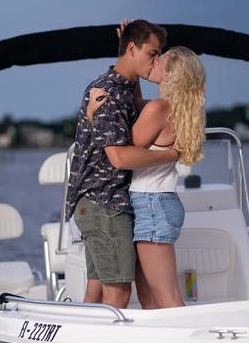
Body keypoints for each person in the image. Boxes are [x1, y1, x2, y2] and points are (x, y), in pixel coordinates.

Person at [65, 20, 179, 309]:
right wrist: (171, 155)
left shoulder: (124, 88)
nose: (157, 60)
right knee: (118, 294)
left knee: (97, 290)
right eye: (153, 53)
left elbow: (134, 101)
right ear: (132, 48)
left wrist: (131, 59)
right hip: (106, 202)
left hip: (101, 201)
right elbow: (119, 157)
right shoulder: (106, 93)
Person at [87, 45, 206, 308]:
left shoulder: (159, 109)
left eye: (159, 61)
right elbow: (139, 107)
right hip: (158, 203)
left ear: (171, 75)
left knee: (167, 297)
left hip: (152, 206)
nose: (153, 64)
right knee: (149, 297)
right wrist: (130, 60)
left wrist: (93, 116)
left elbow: (125, 145)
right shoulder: (177, 108)